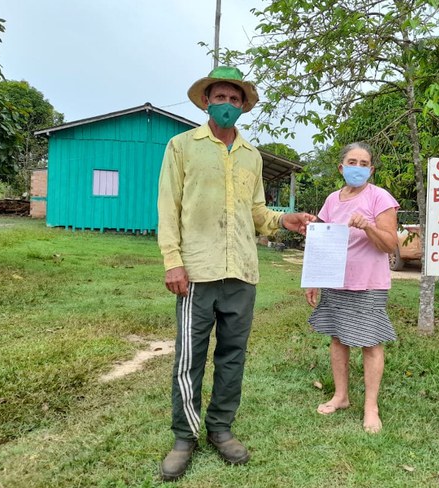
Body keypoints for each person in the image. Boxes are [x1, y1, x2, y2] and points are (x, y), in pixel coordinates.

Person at [157, 65, 315, 481]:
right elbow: (168, 208)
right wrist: (173, 261)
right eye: (219, 97)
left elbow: (258, 214)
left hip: (242, 272)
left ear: (244, 106)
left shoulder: (252, 156)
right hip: (196, 271)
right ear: (206, 101)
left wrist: (287, 220)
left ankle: (221, 429)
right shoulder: (181, 147)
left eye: (234, 99)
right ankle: (184, 437)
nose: (227, 105)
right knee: (190, 357)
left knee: (232, 357)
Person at [305, 142, 399, 434]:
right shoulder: (332, 200)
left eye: (363, 163)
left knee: (371, 343)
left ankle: (371, 407)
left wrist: (368, 226)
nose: (357, 167)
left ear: (371, 169)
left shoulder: (380, 198)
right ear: (341, 167)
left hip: (368, 282)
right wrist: (312, 279)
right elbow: (320, 240)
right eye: (352, 161)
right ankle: (341, 396)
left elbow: (390, 244)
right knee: (338, 338)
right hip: (336, 281)